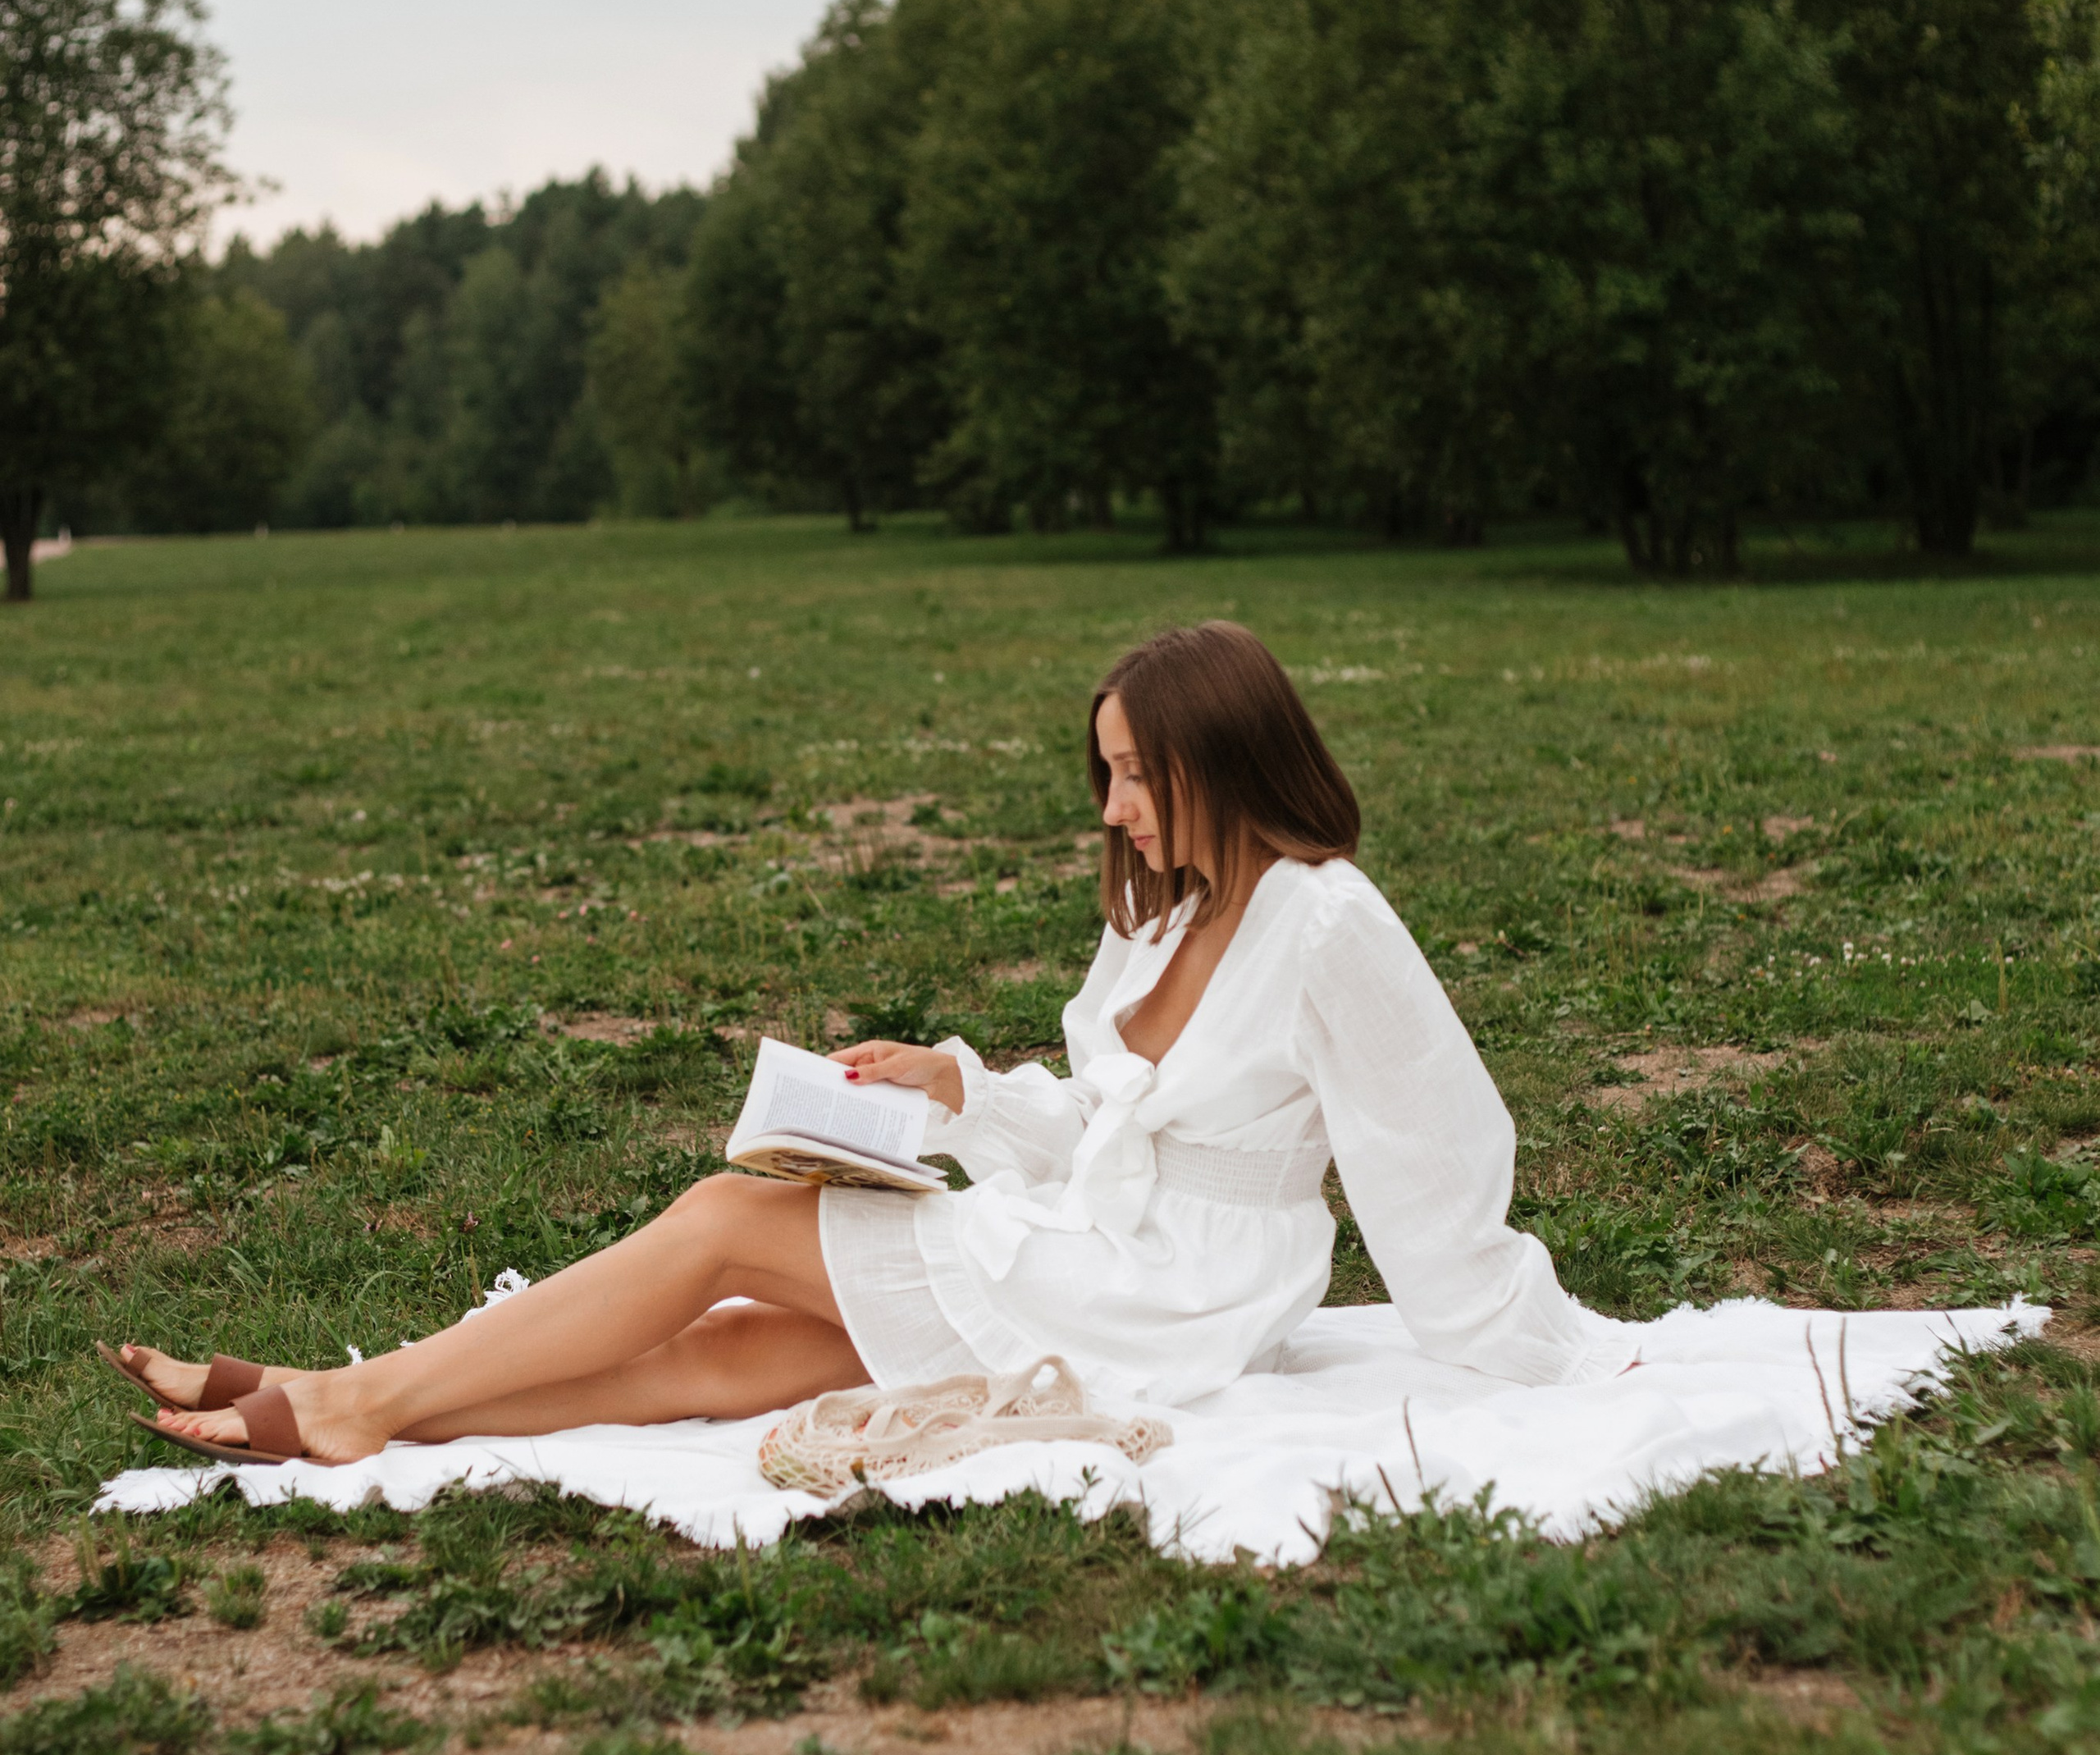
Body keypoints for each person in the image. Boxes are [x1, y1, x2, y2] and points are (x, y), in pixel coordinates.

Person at [116, 619, 1619, 1469]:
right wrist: (956, 1088)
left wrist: (1541, 1344)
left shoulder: (1330, 922)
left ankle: (352, 1401)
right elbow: (1104, 1116)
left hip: (1180, 1289)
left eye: (1135, 776)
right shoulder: (1169, 911)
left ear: (1224, 762)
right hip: (1096, 1242)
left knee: (724, 1221)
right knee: (737, 1353)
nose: (1112, 811)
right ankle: (345, 1399)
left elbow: (1440, 1150)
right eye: (1106, 774)